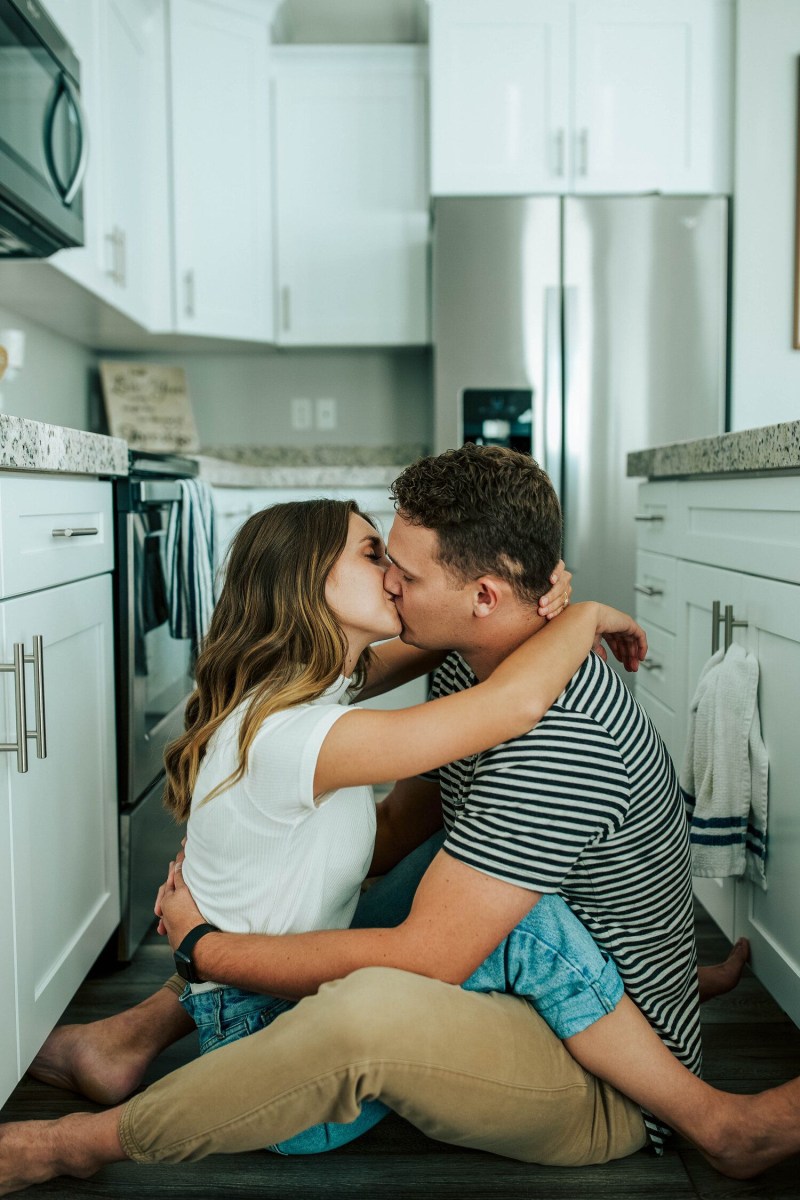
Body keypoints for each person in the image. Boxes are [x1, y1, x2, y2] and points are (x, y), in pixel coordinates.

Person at [2, 447, 798, 1193]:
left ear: (482, 596)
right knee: (389, 885)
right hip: (549, 982)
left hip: (604, 1083)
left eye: (403, 571)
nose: (390, 582)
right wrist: (251, 870)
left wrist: (211, 944)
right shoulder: (465, 660)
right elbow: (397, 833)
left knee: (376, 1001)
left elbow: (427, 955)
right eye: (377, 558)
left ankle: (70, 1144)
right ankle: (130, 1039)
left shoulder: (553, 732)